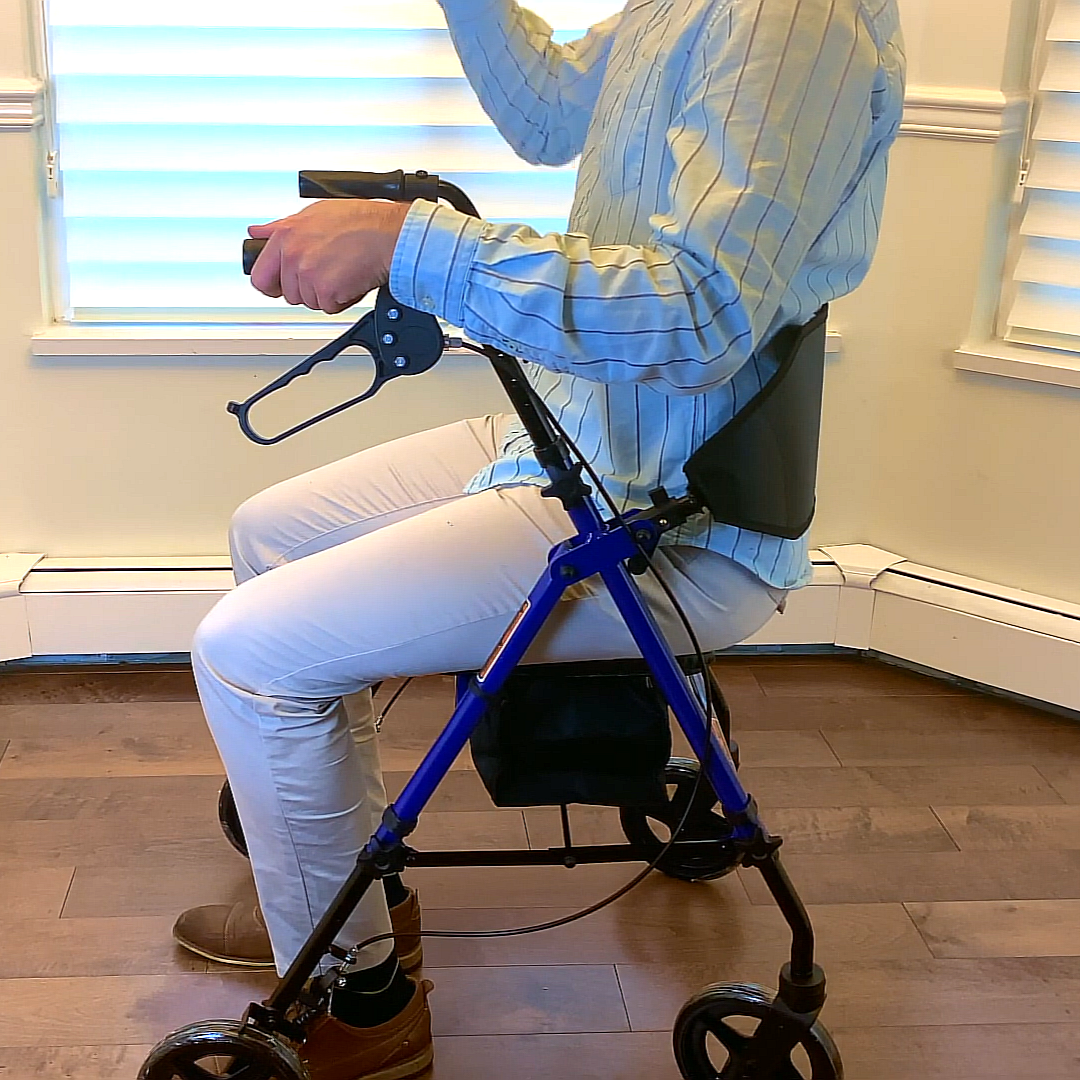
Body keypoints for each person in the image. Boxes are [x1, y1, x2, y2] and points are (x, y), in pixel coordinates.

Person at [173, 1, 904, 1077]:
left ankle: (360, 1008)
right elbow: (554, 112)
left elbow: (700, 316)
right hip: (578, 428)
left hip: (659, 505)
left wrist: (407, 244)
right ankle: (350, 913)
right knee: (268, 533)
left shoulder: (792, 20)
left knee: (246, 654)